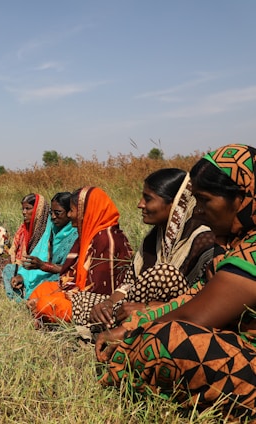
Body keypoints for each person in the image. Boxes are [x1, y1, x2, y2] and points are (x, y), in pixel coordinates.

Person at [96, 144, 256, 419]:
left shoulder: (250, 251)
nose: (198, 212)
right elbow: (192, 297)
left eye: (205, 201)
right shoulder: (233, 247)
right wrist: (134, 323)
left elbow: (195, 315)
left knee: (167, 340)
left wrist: (134, 332)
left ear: (243, 199)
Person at [86, 169, 215, 328]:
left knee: (163, 274)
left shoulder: (203, 240)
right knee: (82, 301)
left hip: (180, 315)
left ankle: (124, 326)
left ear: (176, 203)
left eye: (148, 199)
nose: (140, 204)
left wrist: (151, 309)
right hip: (135, 304)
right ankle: (114, 320)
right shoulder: (154, 237)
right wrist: (109, 303)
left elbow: (209, 299)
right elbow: (129, 284)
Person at [27, 187, 133, 324]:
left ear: (86, 211)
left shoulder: (107, 239)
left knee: (46, 304)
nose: (69, 215)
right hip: (77, 293)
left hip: (94, 304)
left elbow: (97, 293)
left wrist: (58, 296)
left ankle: (43, 314)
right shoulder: (87, 235)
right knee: (43, 289)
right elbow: (72, 276)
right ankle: (43, 313)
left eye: (71, 210)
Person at [4, 193, 78, 300]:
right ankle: (26, 290)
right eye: (51, 212)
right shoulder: (50, 228)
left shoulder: (76, 235)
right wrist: (23, 276)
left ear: (70, 212)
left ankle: (32, 295)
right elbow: (39, 255)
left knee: (52, 285)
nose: (53, 217)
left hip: (59, 276)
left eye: (58, 213)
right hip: (40, 271)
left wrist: (44, 266)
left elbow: (71, 270)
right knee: (9, 269)